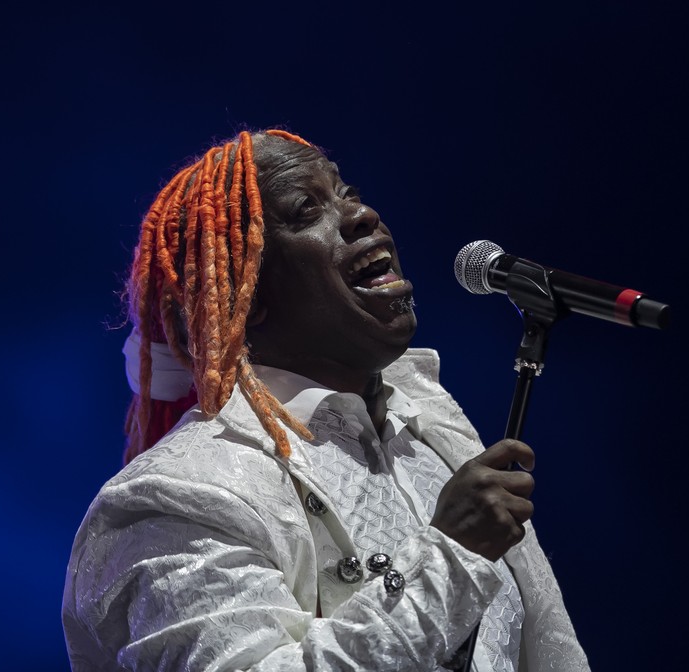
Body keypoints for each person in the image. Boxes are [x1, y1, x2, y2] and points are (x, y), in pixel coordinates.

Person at [62, 129, 590, 671]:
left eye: (346, 192)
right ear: (248, 295)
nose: (361, 214)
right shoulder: (178, 493)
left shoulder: (427, 430)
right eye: (305, 209)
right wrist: (450, 559)